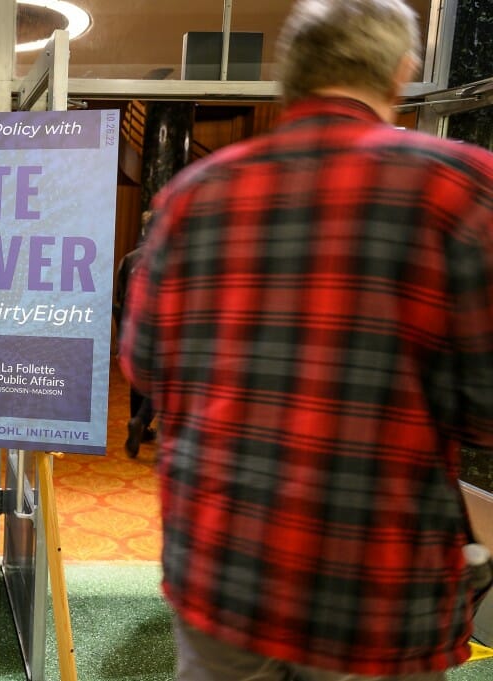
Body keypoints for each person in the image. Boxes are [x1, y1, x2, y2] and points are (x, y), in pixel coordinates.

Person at [120, 0, 493, 678]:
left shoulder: (190, 195)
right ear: (402, 72)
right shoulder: (460, 187)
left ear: (288, 77)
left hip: (219, 564)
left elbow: (145, 365)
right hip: (374, 584)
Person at [114, 210, 155, 458]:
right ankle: (142, 420)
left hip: (131, 329)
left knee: (136, 377)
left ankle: (138, 423)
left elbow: (119, 297)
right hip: (158, 329)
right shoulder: (169, 259)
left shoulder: (129, 259)